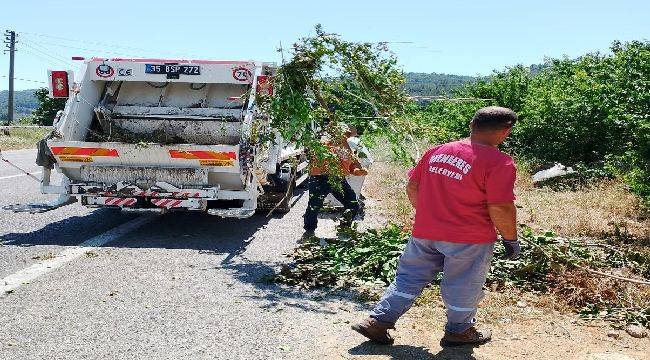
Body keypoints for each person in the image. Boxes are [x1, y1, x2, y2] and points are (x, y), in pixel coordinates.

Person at [352, 106, 521, 347]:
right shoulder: (498, 162)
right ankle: (459, 331)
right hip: (468, 238)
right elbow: (501, 206)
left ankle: (378, 322)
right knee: (463, 283)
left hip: (425, 233)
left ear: (471, 125)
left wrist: (429, 216)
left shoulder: (438, 151)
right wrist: (510, 238)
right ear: (506, 132)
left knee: (408, 278)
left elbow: (413, 187)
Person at [303, 126, 367, 237]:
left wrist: (358, 171)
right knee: (314, 206)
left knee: (353, 204)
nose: (348, 137)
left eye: (349, 135)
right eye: (348, 134)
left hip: (337, 179)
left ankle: (344, 227)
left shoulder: (347, 146)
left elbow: (350, 165)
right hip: (319, 178)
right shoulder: (325, 144)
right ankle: (309, 231)